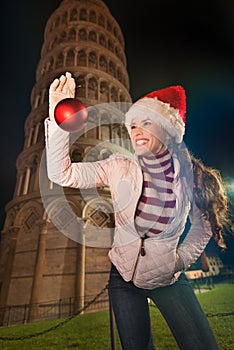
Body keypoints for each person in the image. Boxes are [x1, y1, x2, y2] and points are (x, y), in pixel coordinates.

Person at [45, 72, 229, 349]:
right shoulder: (119, 166)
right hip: (122, 278)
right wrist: (60, 122)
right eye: (133, 125)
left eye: (147, 123)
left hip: (166, 278)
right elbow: (63, 174)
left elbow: (203, 225)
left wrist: (177, 262)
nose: (138, 131)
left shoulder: (190, 176)